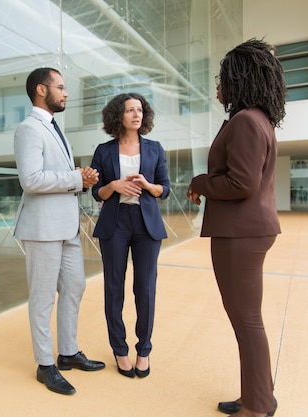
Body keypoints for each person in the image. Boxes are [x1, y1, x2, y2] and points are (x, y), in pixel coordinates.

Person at [186, 38, 286, 417]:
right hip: (247, 231)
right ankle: (257, 395)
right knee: (247, 321)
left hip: (240, 233)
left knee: (246, 322)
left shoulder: (245, 121)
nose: (218, 86)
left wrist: (199, 182)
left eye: (224, 78)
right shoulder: (256, 118)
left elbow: (242, 183)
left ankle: (258, 406)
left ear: (240, 80)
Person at [13, 67, 105, 396]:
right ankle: (45, 364)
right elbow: (31, 180)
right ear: (41, 90)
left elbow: (59, 177)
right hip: (42, 229)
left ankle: (67, 353)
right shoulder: (29, 129)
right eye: (61, 87)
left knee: (75, 287)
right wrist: (75, 178)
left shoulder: (54, 128)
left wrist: (81, 178)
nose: (66, 93)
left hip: (66, 226)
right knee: (42, 299)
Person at [89, 92, 170, 379]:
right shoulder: (104, 150)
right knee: (114, 288)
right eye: (129, 110)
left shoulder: (155, 149)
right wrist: (114, 185)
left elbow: (165, 189)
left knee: (145, 289)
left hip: (146, 224)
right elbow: (96, 191)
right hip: (115, 223)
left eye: (140, 110)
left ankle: (144, 350)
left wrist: (148, 185)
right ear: (117, 116)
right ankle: (119, 349)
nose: (136, 114)